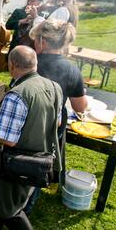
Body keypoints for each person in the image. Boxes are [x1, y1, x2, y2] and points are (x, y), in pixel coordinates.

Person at [0, 46, 62, 230]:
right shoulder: (53, 86)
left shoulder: (17, 94)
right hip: (41, 155)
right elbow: (57, 121)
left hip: (19, 161)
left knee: (10, 207)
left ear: (12, 65)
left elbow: (9, 139)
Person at [30, 19, 87, 185]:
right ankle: (30, 199)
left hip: (25, 121)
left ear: (43, 42)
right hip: (52, 125)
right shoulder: (72, 70)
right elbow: (80, 107)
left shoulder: (29, 62)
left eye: (36, 39)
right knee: (41, 160)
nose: (34, 42)